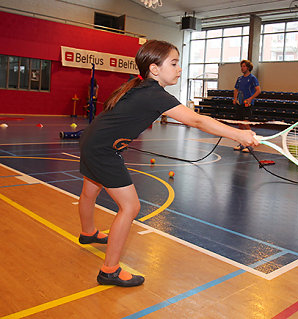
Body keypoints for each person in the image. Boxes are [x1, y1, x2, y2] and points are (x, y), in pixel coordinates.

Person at [78, 40, 258, 287]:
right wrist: (239, 135)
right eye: (173, 64)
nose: (179, 69)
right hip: (103, 151)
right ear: (154, 69)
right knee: (130, 207)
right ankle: (109, 270)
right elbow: (197, 121)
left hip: (91, 141)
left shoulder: (141, 87)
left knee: (90, 191)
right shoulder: (155, 95)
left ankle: (88, 233)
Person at [232, 59, 261, 152]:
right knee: (240, 124)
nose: (242, 68)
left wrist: (250, 99)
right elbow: (236, 89)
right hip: (240, 103)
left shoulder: (252, 78)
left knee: (246, 123)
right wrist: (235, 98)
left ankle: (250, 144)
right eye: (241, 66)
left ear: (248, 68)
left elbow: (258, 90)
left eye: (244, 66)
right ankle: (242, 144)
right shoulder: (239, 79)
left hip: (247, 104)